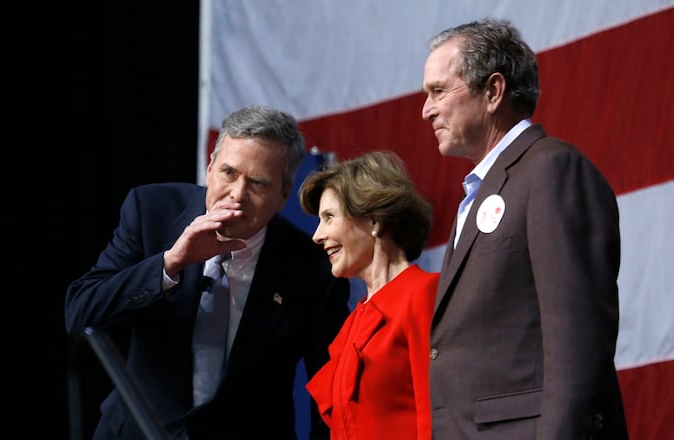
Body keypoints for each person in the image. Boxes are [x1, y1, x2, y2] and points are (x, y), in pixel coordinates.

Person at [65, 104, 351, 439]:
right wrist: (169, 264)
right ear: (210, 167)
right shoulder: (151, 212)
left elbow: (331, 396)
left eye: (257, 183)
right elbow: (81, 312)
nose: (237, 195)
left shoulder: (312, 268)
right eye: (229, 173)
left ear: (283, 194)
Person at [421, 18, 627, 439]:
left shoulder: (551, 170)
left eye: (439, 91)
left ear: (493, 91)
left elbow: (577, 343)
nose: (426, 110)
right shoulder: (481, 191)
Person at [298, 151, 439, 439]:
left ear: (375, 219)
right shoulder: (354, 322)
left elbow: (436, 414)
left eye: (329, 217)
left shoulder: (423, 294)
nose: (316, 235)